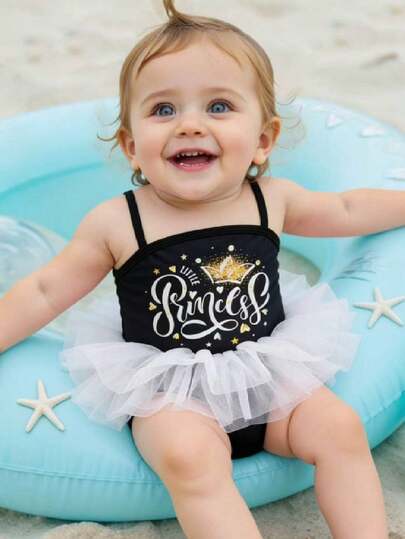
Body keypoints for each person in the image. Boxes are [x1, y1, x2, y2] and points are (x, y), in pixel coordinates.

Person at [1, 0, 400, 537]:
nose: (190, 125)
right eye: (163, 110)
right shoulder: (119, 221)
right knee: (190, 459)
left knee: (340, 429)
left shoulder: (270, 199)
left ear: (263, 140)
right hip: (171, 391)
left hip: (269, 373)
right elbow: (47, 290)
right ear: (132, 147)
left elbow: (348, 209)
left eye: (218, 106)